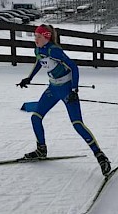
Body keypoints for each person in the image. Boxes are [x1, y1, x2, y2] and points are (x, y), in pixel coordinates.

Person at [18, 24, 111, 175]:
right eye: (35, 36)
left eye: (38, 36)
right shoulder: (39, 49)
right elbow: (38, 63)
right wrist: (28, 78)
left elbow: (74, 67)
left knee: (77, 124)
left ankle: (101, 156)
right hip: (53, 89)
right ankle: (41, 150)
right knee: (35, 117)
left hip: (67, 90)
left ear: (46, 37)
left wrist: (74, 89)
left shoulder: (54, 50)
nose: (35, 39)